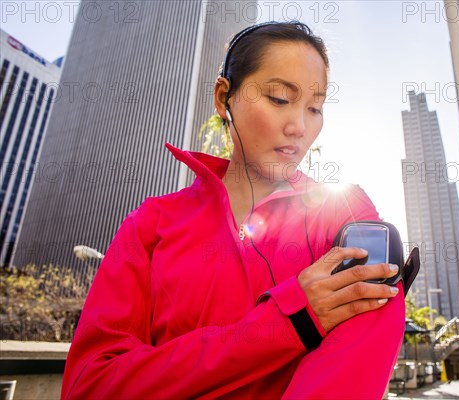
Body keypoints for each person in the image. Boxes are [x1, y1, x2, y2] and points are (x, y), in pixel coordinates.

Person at [61, 21, 405, 399]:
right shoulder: (152, 224)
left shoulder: (346, 212)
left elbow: (366, 341)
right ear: (224, 97)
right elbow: (90, 386)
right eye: (278, 98)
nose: (299, 126)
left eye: (315, 108)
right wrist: (288, 324)